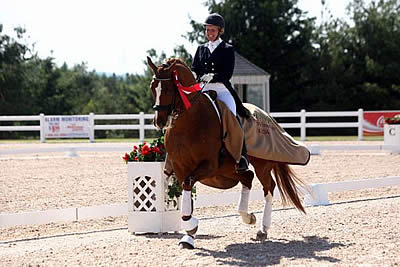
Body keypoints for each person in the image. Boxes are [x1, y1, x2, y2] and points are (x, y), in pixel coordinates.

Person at [191, 13, 252, 176]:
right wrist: (196, 77)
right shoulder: (200, 49)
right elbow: (195, 68)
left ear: (220, 31)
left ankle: (243, 157)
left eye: (212, 30)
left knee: (233, 118)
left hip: (222, 89)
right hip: (203, 89)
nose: (209, 33)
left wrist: (212, 76)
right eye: (207, 30)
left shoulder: (227, 49)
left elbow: (227, 74)